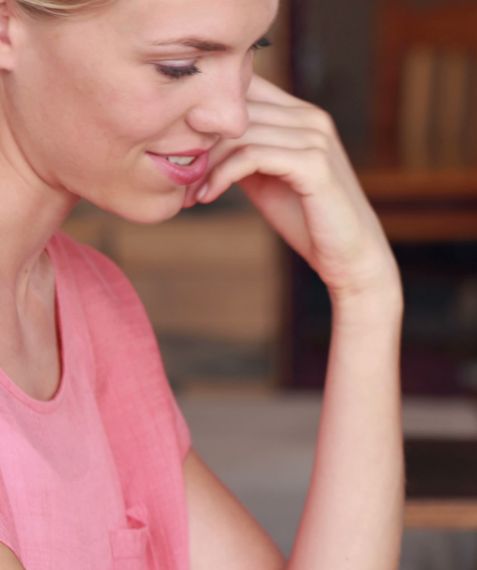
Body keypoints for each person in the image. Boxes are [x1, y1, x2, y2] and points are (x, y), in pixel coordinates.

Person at [0, 0, 404, 567]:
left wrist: (367, 292)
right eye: (179, 65)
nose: (232, 117)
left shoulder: (90, 304)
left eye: (252, 51)